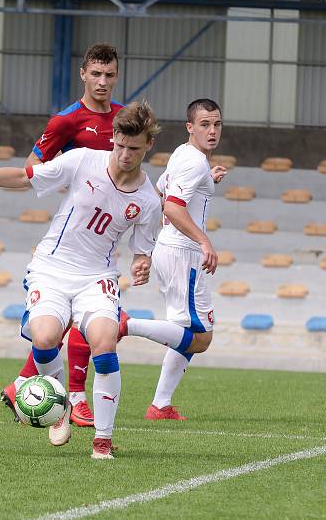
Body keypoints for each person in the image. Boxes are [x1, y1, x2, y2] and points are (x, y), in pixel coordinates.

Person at [0, 101, 162, 459]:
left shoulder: (149, 201)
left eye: (133, 148)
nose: (124, 154)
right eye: (119, 145)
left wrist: (142, 264)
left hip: (97, 276)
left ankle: (102, 443)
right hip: (52, 267)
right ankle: (59, 404)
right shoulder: (83, 161)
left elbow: (142, 250)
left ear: (147, 146)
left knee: (104, 343)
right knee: (44, 338)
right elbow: (26, 177)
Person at [0, 42, 124, 429]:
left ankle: (22, 383)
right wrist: (73, 189)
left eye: (110, 75)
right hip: (71, 233)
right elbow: (31, 168)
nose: (102, 82)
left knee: (82, 319)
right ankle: (74, 398)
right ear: (83, 74)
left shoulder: (123, 120)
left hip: (106, 233)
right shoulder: (66, 121)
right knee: (92, 320)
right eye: (96, 74)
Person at [120, 98, 227, 420]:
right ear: (190, 127)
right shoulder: (194, 163)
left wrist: (209, 178)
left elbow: (160, 193)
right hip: (183, 254)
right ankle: (126, 324)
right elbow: (171, 207)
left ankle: (160, 405)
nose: (212, 131)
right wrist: (204, 240)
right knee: (202, 338)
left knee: (185, 332)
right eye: (205, 124)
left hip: (171, 250)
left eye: (217, 124)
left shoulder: (185, 155)